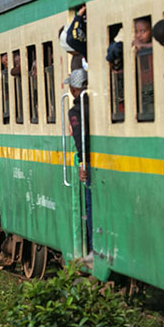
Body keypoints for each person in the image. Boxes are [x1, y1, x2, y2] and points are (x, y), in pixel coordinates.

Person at [65, 67, 92, 252]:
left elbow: (80, 140)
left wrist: (83, 165)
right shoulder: (97, 104)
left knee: (90, 206)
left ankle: (92, 248)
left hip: (90, 163)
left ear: (74, 90)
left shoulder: (75, 111)